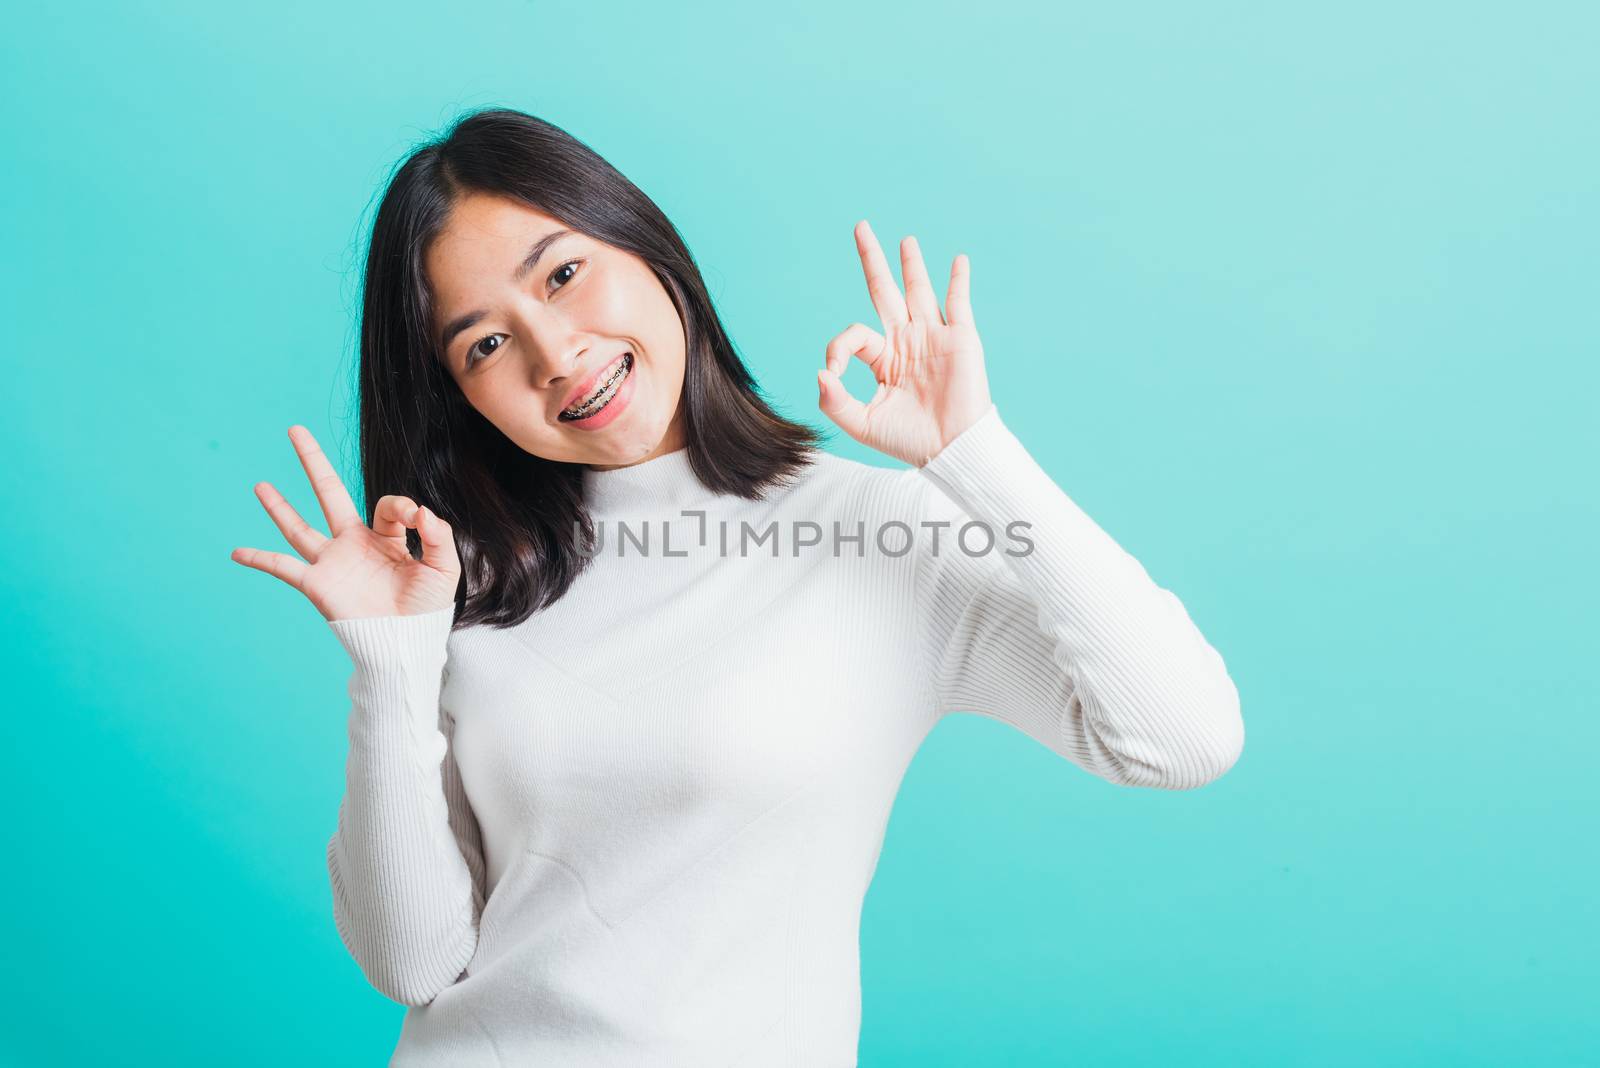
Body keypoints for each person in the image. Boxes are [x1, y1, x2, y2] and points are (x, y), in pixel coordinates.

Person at [230, 107, 1244, 1067]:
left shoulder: (874, 531)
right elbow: (412, 963)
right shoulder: (464, 582)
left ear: (647, 247)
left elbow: (1180, 736)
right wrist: (392, 665)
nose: (554, 352)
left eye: (565, 274)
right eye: (484, 344)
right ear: (459, 394)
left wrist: (972, 455)